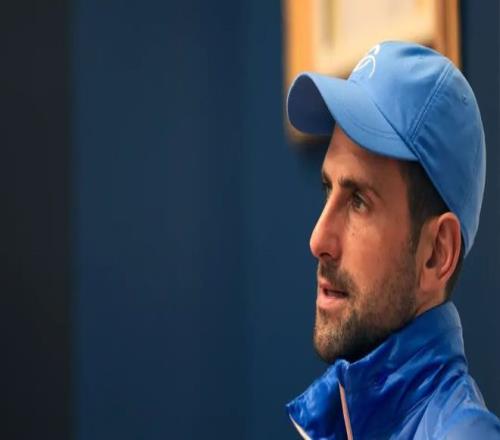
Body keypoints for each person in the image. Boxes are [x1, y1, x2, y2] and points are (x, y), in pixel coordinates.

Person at [285, 41, 500, 439]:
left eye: (359, 201)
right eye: (327, 189)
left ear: (436, 254)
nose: (318, 239)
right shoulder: (342, 419)